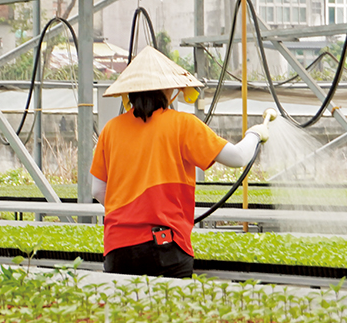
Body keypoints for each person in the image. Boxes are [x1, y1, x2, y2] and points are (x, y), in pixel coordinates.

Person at [90, 45, 269, 278]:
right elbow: (237, 157)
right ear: (169, 90)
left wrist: (132, 212)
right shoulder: (183, 124)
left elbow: (97, 189)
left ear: (130, 92)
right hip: (165, 246)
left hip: (117, 250)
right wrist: (255, 134)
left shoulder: (110, 130)